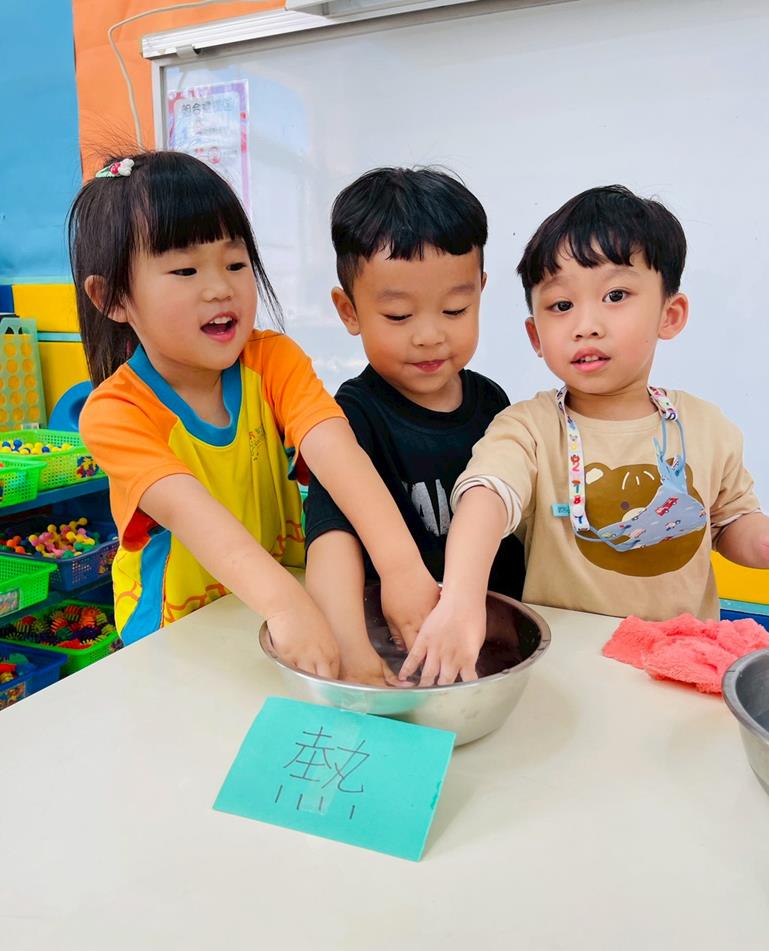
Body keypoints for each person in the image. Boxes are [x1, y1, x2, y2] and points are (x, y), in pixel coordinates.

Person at [70, 151, 438, 674]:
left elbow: (336, 451)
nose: (221, 288)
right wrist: (285, 605)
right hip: (181, 634)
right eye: (185, 270)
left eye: (235, 263)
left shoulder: (273, 361)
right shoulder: (116, 412)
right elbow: (192, 514)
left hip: (284, 607)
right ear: (112, 298)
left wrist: (400, 566)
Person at [401, 184, 769, 685]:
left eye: (616, 296)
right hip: (563, 671)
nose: (586, 325)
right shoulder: (529, 428)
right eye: (560, 305)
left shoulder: (707, 427)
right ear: (536, 336)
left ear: (670, 315)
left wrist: (760, 541)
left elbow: (732, 524)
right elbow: (486, 495)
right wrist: (461, 598)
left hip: (678, 669)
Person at [303, 167, 525, 684]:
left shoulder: (493, 402)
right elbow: (330, 538)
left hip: (496, 641)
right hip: (398, 647)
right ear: (348, 310)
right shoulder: (351, 416)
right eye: (399, 316)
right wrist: (351, 652)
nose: (429, 335)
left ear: (480, 292)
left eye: (455, 309)